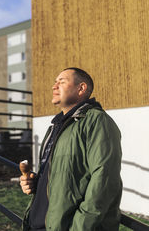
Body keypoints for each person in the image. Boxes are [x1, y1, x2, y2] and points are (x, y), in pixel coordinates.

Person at [20, 67, 122, 231]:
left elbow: (105, 178)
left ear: (81, 88)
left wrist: (79, 227)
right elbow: (63, 174)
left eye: (61, 82)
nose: (54, 86)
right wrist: (36, 182)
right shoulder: (56, 126)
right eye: (55, 82)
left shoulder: (97, 121)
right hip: (37, 224)